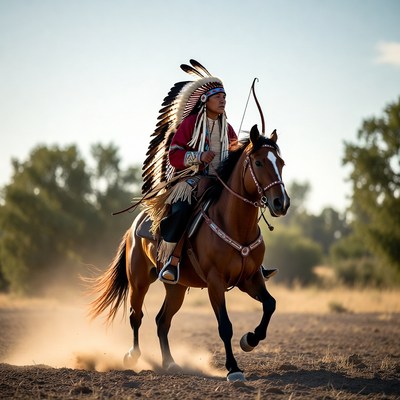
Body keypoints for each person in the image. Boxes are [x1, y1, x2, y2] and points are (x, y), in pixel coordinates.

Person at [153, 63, 277, 284]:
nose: (222, 101)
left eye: (224, 98)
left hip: (220, 183)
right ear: (204, 100)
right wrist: (198, 157)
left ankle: (254, 264)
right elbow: (174, 154)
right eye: (217, 97)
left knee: (244, 209)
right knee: (182, 211)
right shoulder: (190, 124)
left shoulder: (228, 129)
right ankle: (171, 261)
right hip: (190, 181)